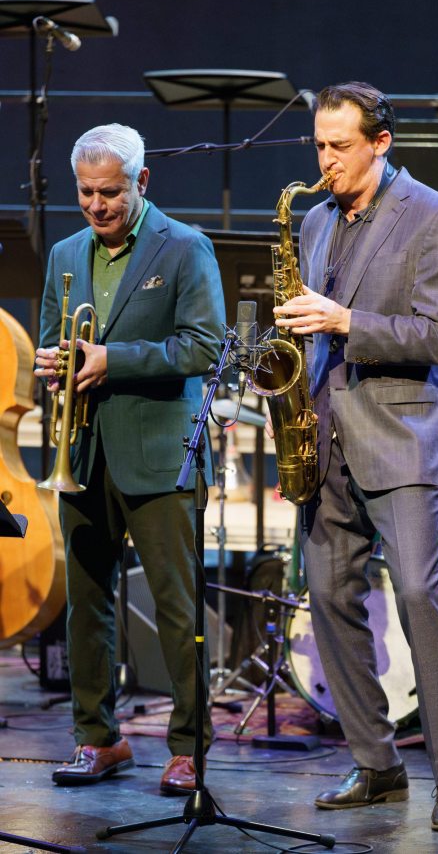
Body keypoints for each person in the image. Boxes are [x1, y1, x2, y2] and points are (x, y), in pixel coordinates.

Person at [269, 82, 438, 830]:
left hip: (400, 439)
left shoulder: (436, 216)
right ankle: (377, 765)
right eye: (318, 146)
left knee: (420, 598)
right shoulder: (317, 221)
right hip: (324, 438)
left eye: (339, 147)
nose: (325, 161)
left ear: (381, 143)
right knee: (327, 599)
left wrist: (346, 320)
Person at [34, 123, 225, 794]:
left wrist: (113, 361)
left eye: (109, 192)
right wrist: (52, 366)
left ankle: (187, 747)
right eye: (86, 193)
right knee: (87, 605)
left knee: (176, 606)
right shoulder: (64, 252)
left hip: (160, 455)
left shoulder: (185, 248)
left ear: (141, 182)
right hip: (84, 453)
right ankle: (97, 737)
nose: (96, 205)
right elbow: (58, 346)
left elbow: (205, 347)